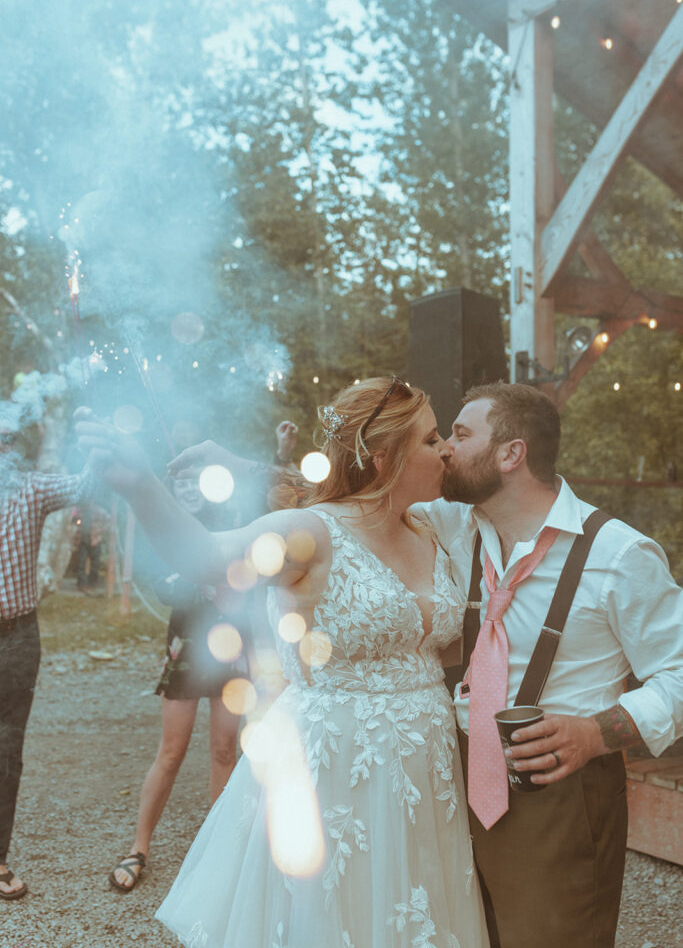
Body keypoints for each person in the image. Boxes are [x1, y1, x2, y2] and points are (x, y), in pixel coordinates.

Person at [77, 377, 490, 947]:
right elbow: (206, 555)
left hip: (427, 769)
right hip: (335, 766)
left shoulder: (434, 527)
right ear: (382, 455)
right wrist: (143, 487)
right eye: (431, 438)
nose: (445, 449)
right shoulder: (310, 532)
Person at [417, 382, 683, 948]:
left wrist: (595, 733)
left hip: (561, 797)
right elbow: (360, 502)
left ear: (511, 453)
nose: (446, 448)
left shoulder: (618, 554)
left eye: (461, 435)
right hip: (453, 782)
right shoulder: (454, 525)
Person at [108, 474, 252, 893]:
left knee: (225, 750)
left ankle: (217, 848)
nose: (188, 488)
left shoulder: (229, 521)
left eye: (195, 480)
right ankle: (139, 847)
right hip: (187, 650)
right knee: (171, 753)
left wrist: (229, 581)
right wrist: (205, 581)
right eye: (180, 482)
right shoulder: (167, 530)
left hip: (231, 650)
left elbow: (247, 577)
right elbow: (163, 585)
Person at [0, 428, 94, 901]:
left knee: (6, 748)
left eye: (10, 440)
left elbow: (84, 486)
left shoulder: (32, 488)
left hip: (17, 636)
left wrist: (98, 440)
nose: (5, 449)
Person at [74, 500, 110, 590]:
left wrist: (101, 530)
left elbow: (109, 521)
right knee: (81, 563)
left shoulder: (100, 511)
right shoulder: (80, 511)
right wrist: (78, 525)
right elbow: (76, 522)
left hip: (95, 539)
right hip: (83, 540)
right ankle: (81, 583)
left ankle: (92, 582)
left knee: (95, 564)